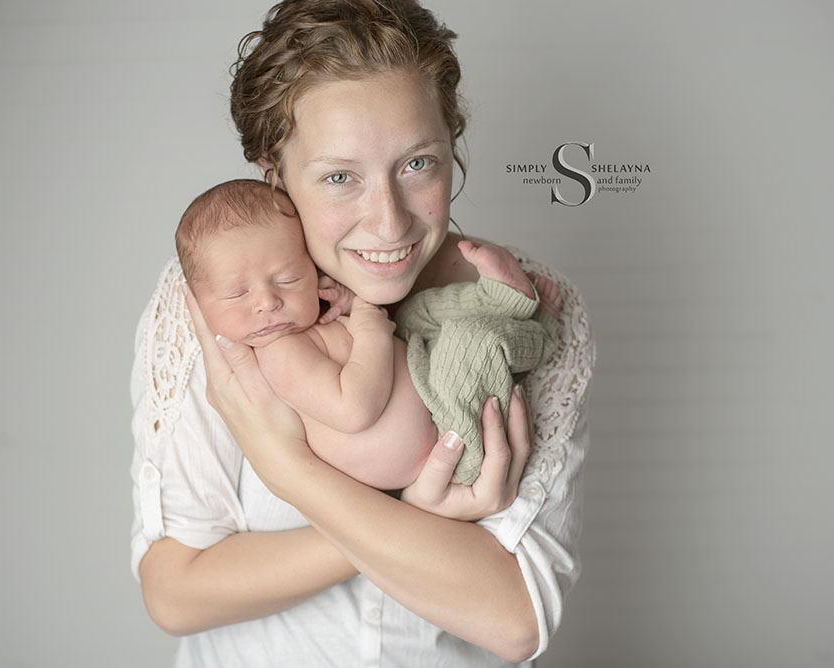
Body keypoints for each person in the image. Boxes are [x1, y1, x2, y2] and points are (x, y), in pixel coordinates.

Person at [129, 1, 596, 665]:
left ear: (452, 143)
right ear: (275, 173)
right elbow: (176, 594)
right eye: (340, 177)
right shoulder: (217, 309)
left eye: (417, 165)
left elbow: (517, 618)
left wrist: (290, 470)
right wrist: (421, 517)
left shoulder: (524, 306)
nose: (388, 222)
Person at [175, 178, 563, 489]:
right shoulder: (279, 355)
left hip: (426, 373)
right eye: (237, 294)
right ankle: (542, 331)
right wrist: (367, 317)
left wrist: (345, 305)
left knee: (419, 311)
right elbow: (355, 407)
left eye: (288, 278)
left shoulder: (307, 324)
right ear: (197, 302)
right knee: (467, 344)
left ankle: (505, 299)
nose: (267, 302)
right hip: (450, 439)